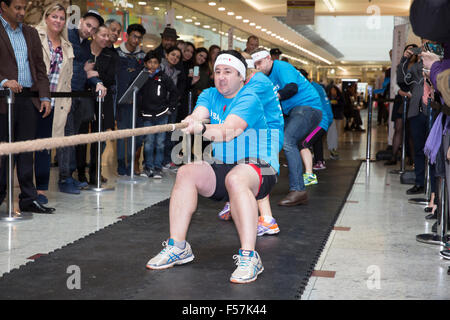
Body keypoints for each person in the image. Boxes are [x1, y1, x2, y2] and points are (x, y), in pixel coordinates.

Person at [146, 50, 279, 284]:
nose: (221, 77)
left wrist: (202, 129)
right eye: (217, 72)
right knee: (187, 171)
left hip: (260, 166)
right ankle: (178, 246)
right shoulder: (209, 94)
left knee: (236, 179)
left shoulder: (250, 98)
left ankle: (250, 256)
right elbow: (200, 113)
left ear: (241, 76)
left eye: (228, 72)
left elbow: (227, 131)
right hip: (224, 165)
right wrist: (192, 120)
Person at [217, 51, 284, 238]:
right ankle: (236, 202)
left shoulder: (258, 83)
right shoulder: (254, 81)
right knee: (238, 164)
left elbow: (237, 105)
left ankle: (267, 219)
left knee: (255, 171)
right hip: (258, 131)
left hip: (266, 135)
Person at [0, 0, 54, 213]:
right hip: (3, 101)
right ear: (3, 6)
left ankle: (28, 199)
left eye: (24, 8)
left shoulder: (30, 33)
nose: (22, 12)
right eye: (17, 8)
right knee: (3, 153)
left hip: (28, 101)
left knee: (26, 152)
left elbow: (40, 68)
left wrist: (45, 97)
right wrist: (3, 82)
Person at [252, 48, 322, 206]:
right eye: (255, 65)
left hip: (307, 107)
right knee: (276, 140)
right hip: (293, 112)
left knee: (288, 140)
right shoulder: (264, 78)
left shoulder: (282, 67)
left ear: (269, 58)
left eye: (260, 63)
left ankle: (298, 190)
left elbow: (292, 88)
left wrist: (272, 97)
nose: (258, 67)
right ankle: (263, 181)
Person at [34, 3, 74, 204]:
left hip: (57, 104)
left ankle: (41, 190)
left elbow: (68, 78)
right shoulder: (34, 35)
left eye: (61, 18)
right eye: (54, 17)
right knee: (25, 146)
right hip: (34, 100)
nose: (58, 21)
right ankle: (20, 187)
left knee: (45, 148)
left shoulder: (67, 46)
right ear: (46, 17)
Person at [65, 9, 106, 193]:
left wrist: (97, 82)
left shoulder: (85, 45)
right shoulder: (68, 35)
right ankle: (64, 178)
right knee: (66, 138)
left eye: (93, 28)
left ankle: (68, 175)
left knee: (72, 137)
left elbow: (88, 70)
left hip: (78, 95)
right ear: (80, 21)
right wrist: (83, 68)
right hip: (64, 94)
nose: (89, 30)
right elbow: (74, 66)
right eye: (88, 25)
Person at [137, 51, 179, 179]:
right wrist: (140, 109)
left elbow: (174, 92)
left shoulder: (164, 77)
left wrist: (170, 108)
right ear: (145, 63)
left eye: (155, 62)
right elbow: (136, 93)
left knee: (160, 142)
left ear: (159, 64)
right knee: (149, 142)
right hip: (147, 115)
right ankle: (147, 167)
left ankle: (157, 168)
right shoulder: (142, 77)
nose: (152, 65)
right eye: (149, 62)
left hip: (162, 114)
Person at [86, 24, 119, 185]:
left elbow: (110, 78)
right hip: (84, 98)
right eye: (103, 35)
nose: (106, 38)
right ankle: (77, 172)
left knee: (99, 137)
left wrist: (93, 74)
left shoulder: (110, 55)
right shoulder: (84, 50)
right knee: (81, 134)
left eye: (108, 35)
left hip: (103, 99)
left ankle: (95, 172)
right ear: (94, 35)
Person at [397, 40, 428, 195]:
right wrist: (404, 59)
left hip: (434, 112)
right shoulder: (415, 67)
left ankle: (434, 188)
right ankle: (420, 182)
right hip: (416, 112)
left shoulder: (439, 64)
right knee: (418, 149)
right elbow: (402, 83)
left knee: (434, 151)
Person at [115, 23, 146, 176]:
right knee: (122, 135)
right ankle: (121, 164)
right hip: (122, 101)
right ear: (127, 36)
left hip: (138, 102)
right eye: (134, 36)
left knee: (137, 136)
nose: (136, 40)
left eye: (139, 38)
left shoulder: (143, 56)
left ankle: (132, 164)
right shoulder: (117, 53)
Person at [297, 69, 333, 186]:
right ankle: (319, 162)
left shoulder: (309, 89)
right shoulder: (313, 87)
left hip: (321, 121)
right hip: (319, 120)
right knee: (314, 141)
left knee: (303, 144)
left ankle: (309, 176)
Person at [160, 46, 182, 172]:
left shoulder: (176, 72)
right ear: (166, 55)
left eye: (178, 57)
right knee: (159, 136)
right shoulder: (160, 68)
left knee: (170, 134)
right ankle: (156, 163)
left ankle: (167, 161)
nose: (175, 58)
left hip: (172, 106)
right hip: (160, 106)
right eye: (173, 54)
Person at [326, 85, 345, 159]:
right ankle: (332, 148)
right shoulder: (328, 98)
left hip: (338, 117)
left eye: (334, 90)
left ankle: (333, 148)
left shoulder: (340, 97)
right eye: (332, 90)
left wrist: (337, 103)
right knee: (333, 133)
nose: (333, 91)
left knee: (336, 133)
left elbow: (343, 104)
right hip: (331, 117)